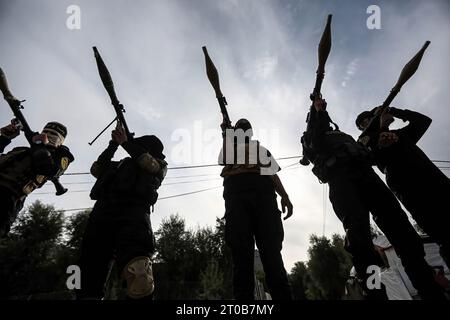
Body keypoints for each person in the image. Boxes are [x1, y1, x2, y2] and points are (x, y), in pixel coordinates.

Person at [300, 98, 445, 299]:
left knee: (405, 235)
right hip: (342, 182)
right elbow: (316, 139)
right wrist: (318, 112)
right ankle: (376, 295)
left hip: (369, 178)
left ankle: (431, 293)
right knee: (361, 245)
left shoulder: (349, 137)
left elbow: (368, 149)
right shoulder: (311, 136)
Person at [77, 123, 167, 300]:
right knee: (87, 277)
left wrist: (126, 143)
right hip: (102, 215)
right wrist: (113, 145)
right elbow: (96, 169)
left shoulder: (159, 163)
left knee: (140, 276)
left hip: (134, 217)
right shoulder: (119, 165)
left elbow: (150, 165)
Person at [356, 107, 450, 264]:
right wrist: (381, 127)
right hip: (410, 190)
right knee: (443, 236)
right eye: (364, 124)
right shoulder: (366, 141)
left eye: (369, 119)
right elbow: (370, 151)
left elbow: (423, 121)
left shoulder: (401, 134)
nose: (367, 124)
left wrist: (394, 110)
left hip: (436, 182)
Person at [219, 118, 293, 300]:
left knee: (270, 256)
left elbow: (273, 174)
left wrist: (285, 195)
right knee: (243, 257)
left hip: (262, 196)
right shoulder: (231, 148)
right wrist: (227, 135)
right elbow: (223, 159)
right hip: (240, 196)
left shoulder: (260, 150)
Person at [0, 121, 73, 237]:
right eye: (45, 132)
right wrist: (4, 138)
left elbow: (49, 170)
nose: (47, 135)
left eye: (54, 134)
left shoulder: (60, 157)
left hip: (8, 199)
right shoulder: (19, 150)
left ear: (61, 142)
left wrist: (39, 143)